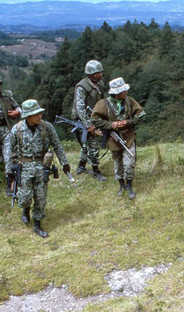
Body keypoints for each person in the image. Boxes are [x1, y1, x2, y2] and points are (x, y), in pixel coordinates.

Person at [9, 100, 70, 238]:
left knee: (41, 197)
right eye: (36, 114)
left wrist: (64, 163)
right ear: (28, 116)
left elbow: (57, 145)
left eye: (40, 113)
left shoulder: (47, 127)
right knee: (24, 197)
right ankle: (25, 209)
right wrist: (9, 173)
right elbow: (9, 151)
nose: (39, 116)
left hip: (42, 167)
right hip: (24, 168)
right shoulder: (17, 129)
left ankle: (37, 223)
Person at [91, 77, 145, 200]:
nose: (126, 92)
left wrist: (128, 122)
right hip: (113, 138)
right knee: (117, 163)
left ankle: (129, 185)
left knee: (130, 162)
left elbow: (140, 114)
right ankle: (121, 185)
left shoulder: (130, 101)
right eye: (123, 91)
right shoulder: (103, 104)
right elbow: (94, 119)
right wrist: (111, 125)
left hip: (128, 136)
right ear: (116, 93)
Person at [72, 60, 107, 181]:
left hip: (94, 117)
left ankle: (81, 167)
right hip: (83, 120)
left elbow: (102, 102)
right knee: (93, 146)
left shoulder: (99, 84)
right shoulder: (82, 87)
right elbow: (80, 108)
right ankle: (96, 171)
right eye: (98, 73)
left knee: (86, 145)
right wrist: (88, 125)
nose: (101, 74)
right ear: (92, 74)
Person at [0, 76, 22, 195]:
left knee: (9, 155)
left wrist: (17, 112)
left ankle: (9, 183)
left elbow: (18, 107)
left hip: (6, 129)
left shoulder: (7, 96)